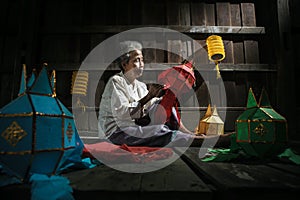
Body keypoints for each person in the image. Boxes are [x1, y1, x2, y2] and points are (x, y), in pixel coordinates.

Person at [98, 40, 205, 147]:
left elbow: (150, 111)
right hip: (115, 133)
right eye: (137, 60)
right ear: (125, 64)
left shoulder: (141, 86)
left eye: (142, 60)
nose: (141, 64)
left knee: (165, 103)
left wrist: (167, 96)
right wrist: (149, 96)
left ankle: (186, 133)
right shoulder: (116, 81)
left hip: (134, 128)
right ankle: (194, 140)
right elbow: (122, 114)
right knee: (158, 130)